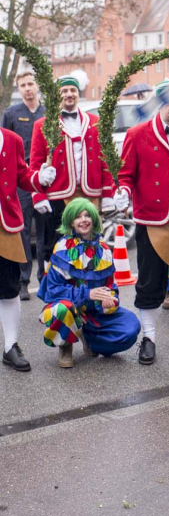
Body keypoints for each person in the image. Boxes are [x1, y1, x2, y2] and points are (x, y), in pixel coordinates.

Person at [115, 81, 169, 366]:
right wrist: (123, 193)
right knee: (149, 282)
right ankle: (149, 338)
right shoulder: (137, 133)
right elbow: (125, 175)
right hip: (152, 220)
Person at [38, 198, 140, 368]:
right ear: (71, 221)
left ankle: (91, 341)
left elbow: (111, 288)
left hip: (94, 313)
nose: (83, 220)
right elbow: (53, 291)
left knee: (131, 328)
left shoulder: (104, 250)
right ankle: (65, 345)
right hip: (69, 309)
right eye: (78, 217)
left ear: (94, 219)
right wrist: (87, 294)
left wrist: (109, 302)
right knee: (63, 309)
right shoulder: (62, 248)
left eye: (87, 215)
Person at [29, 75, 115, 269]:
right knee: (58, 247)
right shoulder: (43, 124)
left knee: (90, 245)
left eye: (72, 90)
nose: (69, 94)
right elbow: (34, 163)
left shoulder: (95, 121)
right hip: (58, 195)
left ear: (78, 93)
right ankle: (59, 292)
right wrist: (38, 195)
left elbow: (105, 160)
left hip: (89, 193)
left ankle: (91, 288)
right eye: (65, 91)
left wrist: (107, 194)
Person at [0, 127, 55, 371]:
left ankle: (10, 346)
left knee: (9, 287)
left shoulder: (11, 139)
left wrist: (38, 178)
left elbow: (21, 175)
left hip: (5, 225)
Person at [1, 71, 47, 298]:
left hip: (43, 178)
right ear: (18, 90)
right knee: (23, 230)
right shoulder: (11, 113)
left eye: (30, 84)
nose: (27, 88)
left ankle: (44, 278)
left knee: (45, 232)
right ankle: (23, 280)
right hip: (20, 181)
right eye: (22, 86)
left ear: (37, 86)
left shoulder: (48, 112)